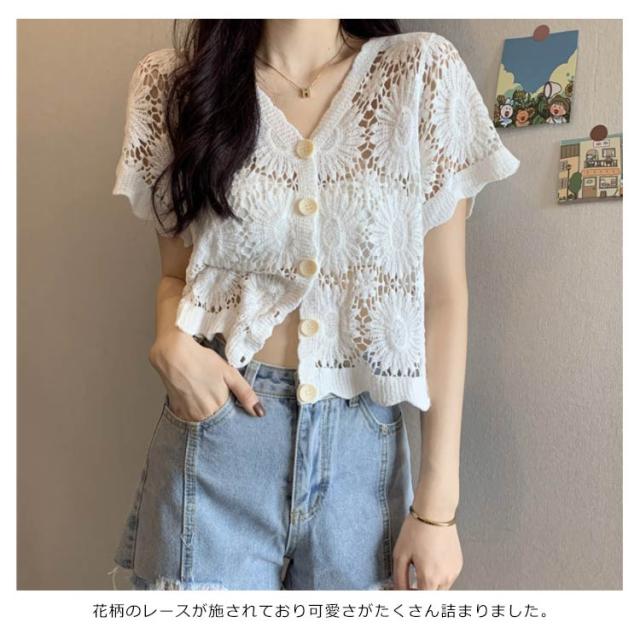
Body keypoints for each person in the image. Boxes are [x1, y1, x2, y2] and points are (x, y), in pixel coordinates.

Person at [108, 19, 520, 591]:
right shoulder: (174, 83)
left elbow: (443, 298)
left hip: (363, 453)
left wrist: (437, 508)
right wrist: (170, 343)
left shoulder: (421, 73)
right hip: (217, 431)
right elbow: (176, 276)